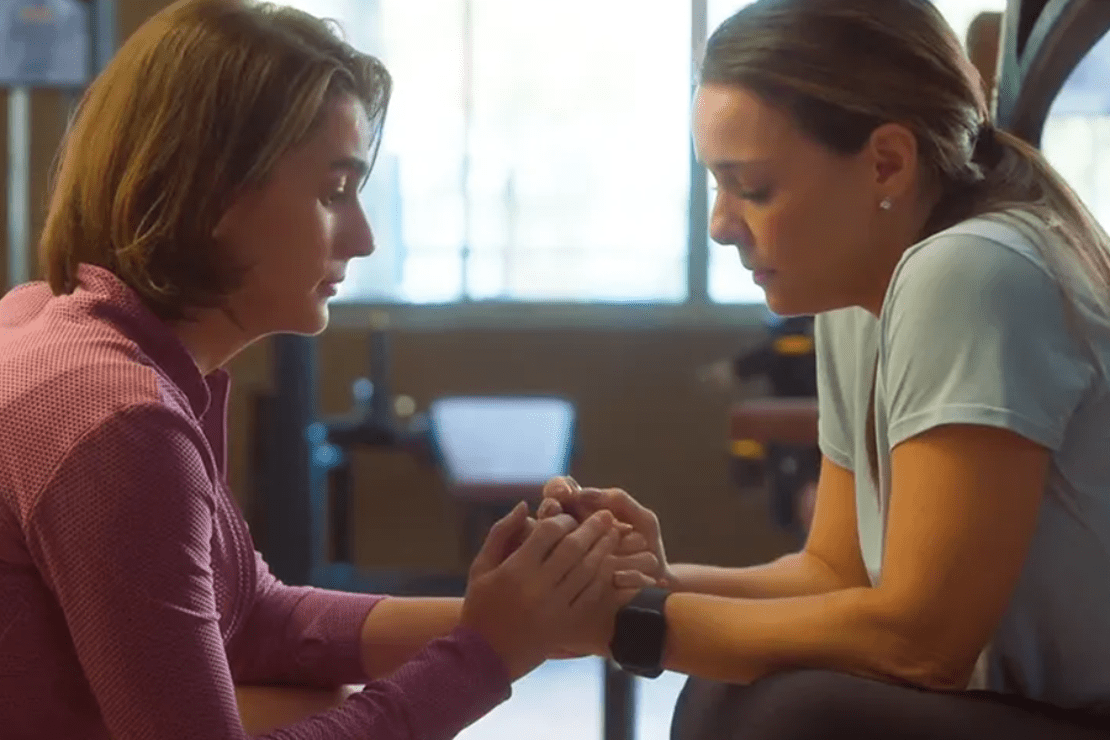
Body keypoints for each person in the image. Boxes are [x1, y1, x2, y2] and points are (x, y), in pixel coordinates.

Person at [0, 1, 658, 738]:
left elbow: (248, 616)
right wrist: (489, 653)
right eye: (333, 191)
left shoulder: (51, 327)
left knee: (312, 696)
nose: (364, 237)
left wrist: (526, 616)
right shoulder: (115, 419)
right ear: (215, 192)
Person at [542, 0, 1110, 737]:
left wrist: (632, 624)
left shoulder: (972, 269)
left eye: (753, 187)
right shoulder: (857, 293)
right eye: (717, 186)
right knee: (727, 697)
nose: (720, 223)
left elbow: (920, 644)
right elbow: (834, 575)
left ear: (887, 162)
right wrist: (648, 585)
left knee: (788, 716)